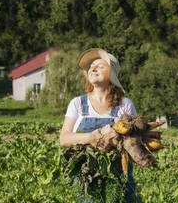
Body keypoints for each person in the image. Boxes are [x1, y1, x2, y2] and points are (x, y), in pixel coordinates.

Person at [59, 48, 142, 202]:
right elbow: (64, 138)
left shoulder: (125, 105)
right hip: (89, 180)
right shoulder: (77, 103)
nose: (93, 68)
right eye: (91, 67)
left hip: (119, 177)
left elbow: (136, 141)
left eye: (100, 66)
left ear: (112, 75)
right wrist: (91, 137)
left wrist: (116, 138)